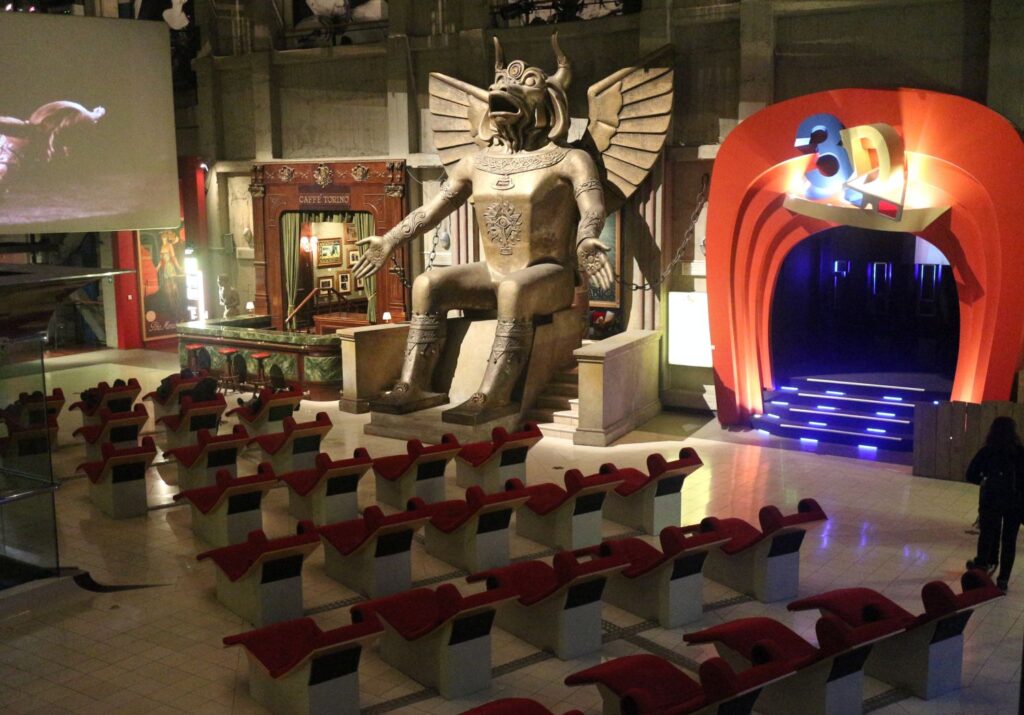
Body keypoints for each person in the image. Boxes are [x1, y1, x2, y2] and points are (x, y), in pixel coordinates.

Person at [965, 416, 1024, 591]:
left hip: (991, 499)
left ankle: (982, 570)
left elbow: (971, 475)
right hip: (1015, 502)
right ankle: (1003, 580)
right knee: (1009, 541)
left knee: (987, 535)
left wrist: (984, 480)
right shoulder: (1020, 453)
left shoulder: (987, 451)